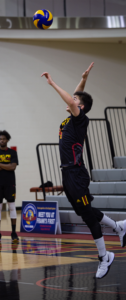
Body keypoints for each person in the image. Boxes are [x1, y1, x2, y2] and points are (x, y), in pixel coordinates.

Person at [41, 63, 126, 279]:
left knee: (87, 216)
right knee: (84, 212)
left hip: (76, 174)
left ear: (82, 107)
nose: (73, 99)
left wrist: (51, 83)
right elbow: (76, 97)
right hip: (68, 173)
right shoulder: (71, 118)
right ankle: (118, 227)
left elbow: (72, 100)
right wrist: (84, 80)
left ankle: (104, 257)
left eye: (77, 101)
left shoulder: (81, 120)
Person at [0, 130, 19, 243]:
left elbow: (13, 168)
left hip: (10, 183)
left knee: (12, 207)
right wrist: (7, 165)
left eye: (4, 139)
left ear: (7, 140)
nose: (2, 140)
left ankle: (14, 233)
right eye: (0, 139)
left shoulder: (12, 152)